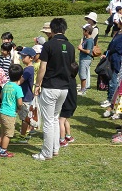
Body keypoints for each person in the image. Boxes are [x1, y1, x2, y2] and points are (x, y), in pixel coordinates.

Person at [33, 18, 75, 161]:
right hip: (64, 88)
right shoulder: (70, 46)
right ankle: (55, 149)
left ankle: (46, 153)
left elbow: (42, 67)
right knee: (55, 118)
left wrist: (37, 85)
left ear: (52, 29)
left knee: (49, 121)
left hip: (50, 87)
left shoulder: (49, 45)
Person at [0, 64, 23, 158]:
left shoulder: (6, 85)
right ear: (20, 76)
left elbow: (1, 97)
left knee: (3, 132)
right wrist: (20, 108)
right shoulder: (18, 88)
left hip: (2, 111)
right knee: (9, 134)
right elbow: (20, 102)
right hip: (10, 113)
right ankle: (3, 152)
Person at [102, 14, 122, 118]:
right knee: (112, 82)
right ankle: (112, 104)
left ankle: (112, 105)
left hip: (117, 60)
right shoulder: (118, 33)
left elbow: (119, 48)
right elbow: (111, 45)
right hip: (111, 59)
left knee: (115, 82)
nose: (117, 22)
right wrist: (107, 52)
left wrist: (110, 52)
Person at [16, 47, 36, 144]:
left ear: (31, 58)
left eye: (24, 56)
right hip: (28, 96)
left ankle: (23, 136)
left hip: (26, 97)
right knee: (26, 117)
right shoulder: (29, 69)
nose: (22, 58)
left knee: (24, 118)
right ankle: (26, 132)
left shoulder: (28, 70)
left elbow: (20, 82)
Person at [59, 62, 78, 147]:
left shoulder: (67, 81)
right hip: (72, 104)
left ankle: (62, 140)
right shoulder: (73, 80)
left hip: (67, 105)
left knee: (61, 121)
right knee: (66, 120)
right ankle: (68, 136)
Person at [77, 24, 94, 95]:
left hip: (86, 59)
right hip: (83, 58)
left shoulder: (90, 40)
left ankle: (83, 89)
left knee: (83, 74)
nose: (83, 32)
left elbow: (88, 51)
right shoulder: (85, 39)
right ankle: (82, 88)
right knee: (81, 73)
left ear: (87, 31)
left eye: (84, 30)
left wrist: (81, 49)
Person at [84, 12, 99, 89]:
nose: (88, 21)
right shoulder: (91, 28)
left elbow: (91, 39)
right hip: (88, 48)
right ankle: (85, 83)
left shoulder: (95, 29)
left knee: (87, 67)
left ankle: (87, 84)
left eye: (89, 19)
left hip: (90, 49)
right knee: (86, 67)